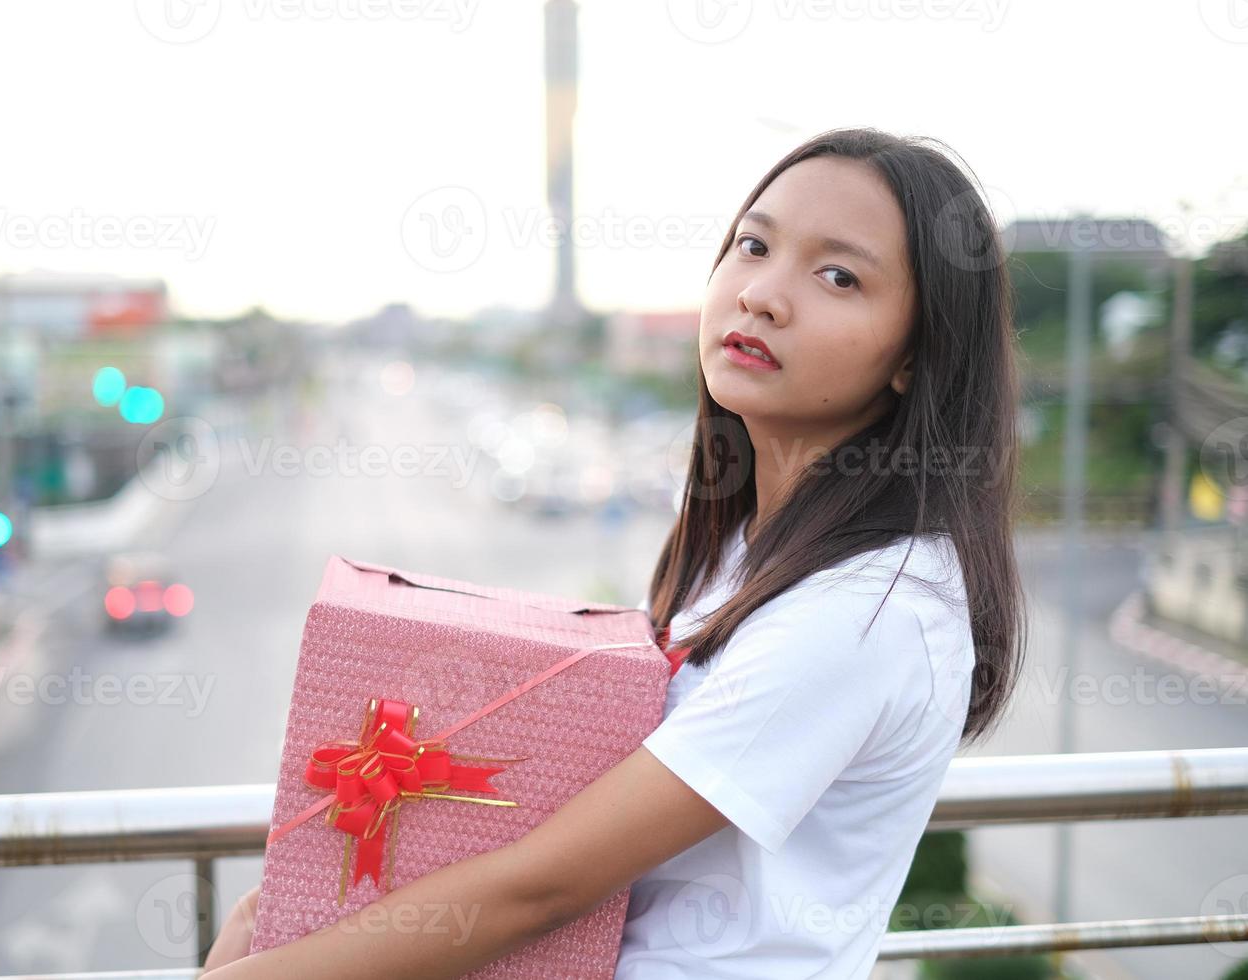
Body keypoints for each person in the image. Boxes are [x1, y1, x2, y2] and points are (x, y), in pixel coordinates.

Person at [201, 126, 1027, 979]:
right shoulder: (744, 550)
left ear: (913, 359)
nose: (763, 296)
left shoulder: (869, 610)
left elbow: (546, 888)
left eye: (838, 276)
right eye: (754, 245)